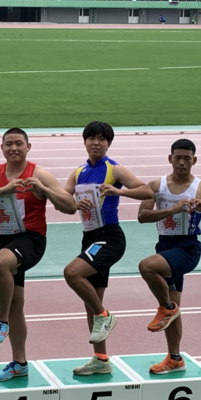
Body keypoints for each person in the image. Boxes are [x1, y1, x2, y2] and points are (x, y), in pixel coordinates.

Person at [0, 128, 75, 381]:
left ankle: (0, 322)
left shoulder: (40, 174)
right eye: (8, 144)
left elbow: (70, 206)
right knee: (16, 304)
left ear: (28, 147)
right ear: (2, 148)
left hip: (31, 239)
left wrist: (44, 189)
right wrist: (3, 190)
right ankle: (20, 363)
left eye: (18, 143)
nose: (13, 148)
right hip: (2, 238)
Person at [62, 121, 153, 375]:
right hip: (89, 237)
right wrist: (71, 203)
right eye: (92, 138)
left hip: (109, 237)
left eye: (102, 139)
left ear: (108, 143)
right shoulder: (78, 173)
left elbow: (147, 191)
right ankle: (101, 360)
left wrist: (118, 192)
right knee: (91, 301)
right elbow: (63, 197)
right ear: (85, 141)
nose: (96, 143)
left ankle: (105, 315)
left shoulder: (115, 169)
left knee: (72, 273)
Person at [137, 139, 201, 374]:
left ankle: (166, 308)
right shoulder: (156, 186)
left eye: (187, 158)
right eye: (177, 157)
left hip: (188, 248)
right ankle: (175, 358)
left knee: (147, 267)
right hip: (165, 246)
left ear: (194, 160)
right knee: (174, 307)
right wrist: (172, 209)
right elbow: (142, 216)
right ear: (170, 158)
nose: (181, 162)